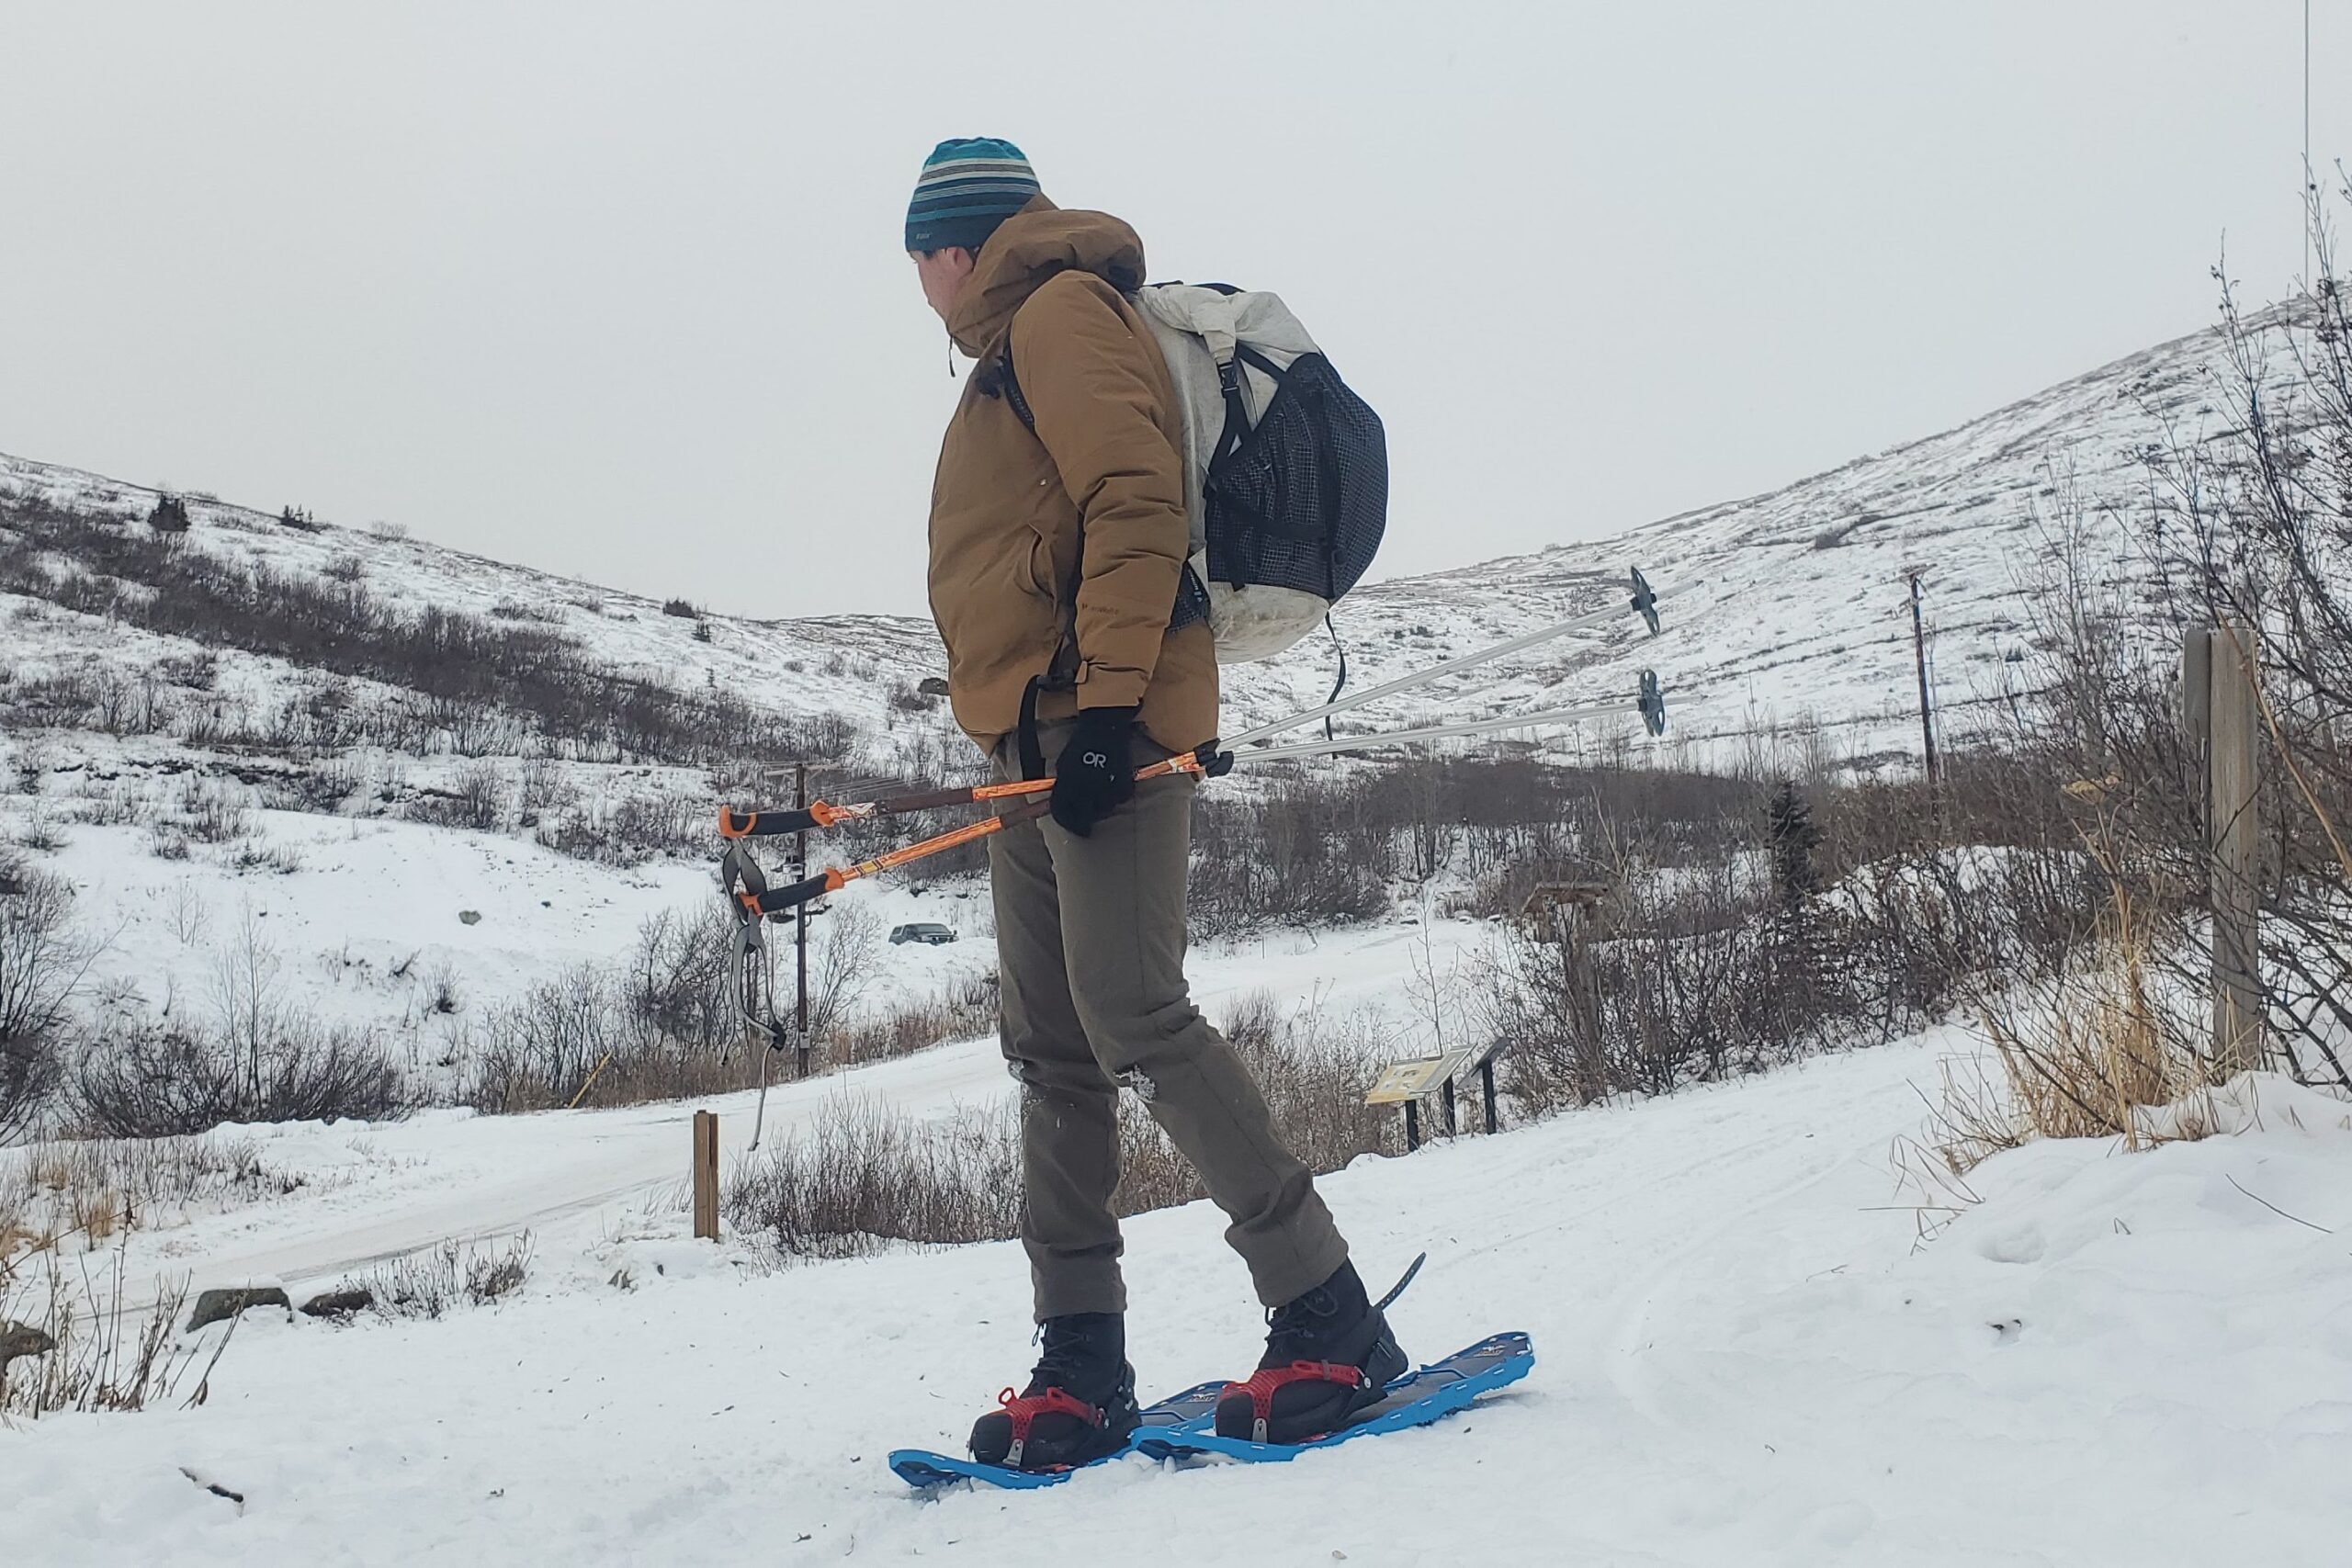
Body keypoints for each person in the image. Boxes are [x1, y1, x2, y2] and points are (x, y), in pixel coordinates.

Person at [905, 136, 1406, 1469]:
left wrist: (1113, 708)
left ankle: (1329, 1314)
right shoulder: (1015, 344)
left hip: (1097, 729)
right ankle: (1081, 1360)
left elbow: (1135, 504)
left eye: (917, 257)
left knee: (1133, 1011)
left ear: (955, 247)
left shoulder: (1064, 314)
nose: (917, 285)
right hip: (1033, 740)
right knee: (1051, 1045)